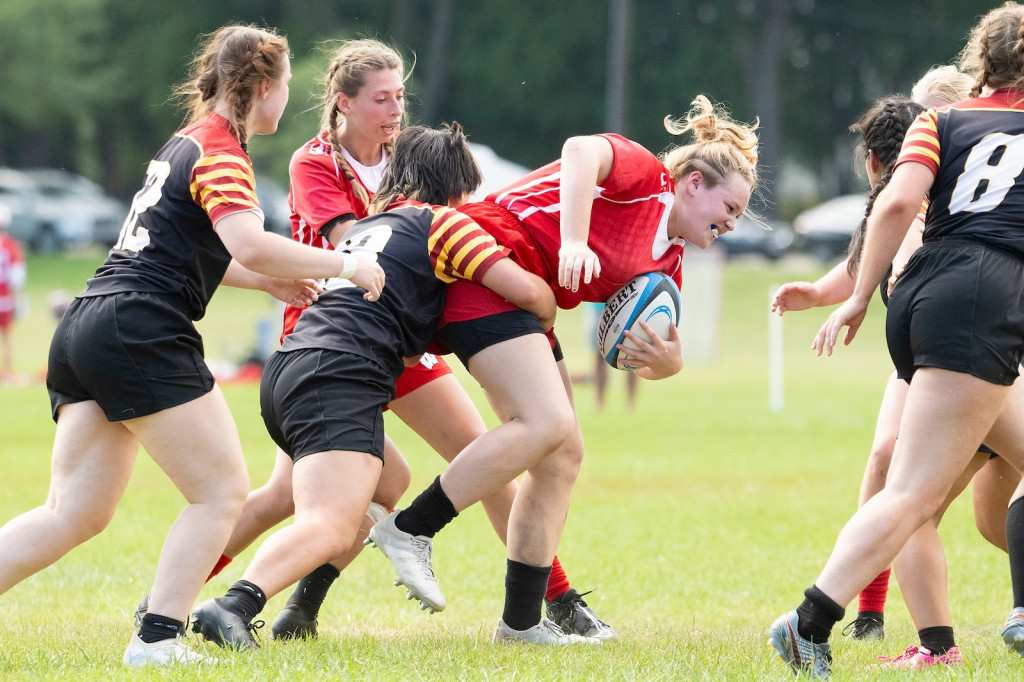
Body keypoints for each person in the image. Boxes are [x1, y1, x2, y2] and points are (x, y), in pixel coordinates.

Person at [159, 38, 615, 642]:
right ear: (342, 104)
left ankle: (550, 602)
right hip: (340, 331)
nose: (395, 110)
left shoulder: (409, 156)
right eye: (381, 99)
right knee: (285, 498)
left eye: (400, 96)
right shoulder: (314, 161)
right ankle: (171, 604)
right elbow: (362, 243)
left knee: (475, 463)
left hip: (390, 338)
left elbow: (442, 233)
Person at [0, 24, 385, 668]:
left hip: (89, 325)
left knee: (73, 512)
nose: (286, 98)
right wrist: (346, 265)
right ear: (262, 86)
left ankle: (157, 635)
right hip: (139, 328)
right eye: (285, 85)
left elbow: (187, 251)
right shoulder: (221, 151)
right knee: (221, 491)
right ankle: (157, 639)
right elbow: (249, 240)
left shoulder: (184, 143)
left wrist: (267, 282)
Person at [364, 95, 759, 644]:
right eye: (730, 209)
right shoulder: (646, 177)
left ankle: (521, 623)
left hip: (529, 301)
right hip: (491, 256)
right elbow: (579, 150)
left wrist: (671, 362)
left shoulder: (668, 263)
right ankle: (411, 529)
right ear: (693, 183)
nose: (733, 225)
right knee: (546, 423)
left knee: (561, 455)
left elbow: (651, 347)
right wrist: (573, 238)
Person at [188, 122, 559, 650]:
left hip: (295, 365)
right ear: (457, 190)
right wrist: (550, 302)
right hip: (340, 374)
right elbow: (526, 293)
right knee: (330, 522)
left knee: (388, 482)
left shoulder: (368, 227)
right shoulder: (445, 224)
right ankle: (235, 604)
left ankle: (293, 608)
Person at [768, 4, 1024, 676]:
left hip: (923, 293)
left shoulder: (938, 121)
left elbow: (899, 201)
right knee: (912, 493)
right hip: (984, 297)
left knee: (909, 486)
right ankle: (810, 621)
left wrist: (857, 296)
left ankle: (965, 629)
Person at [583, 301, 638, 410]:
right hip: (598, 305)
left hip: (628, 304)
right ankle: (599, 403)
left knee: (632, 353)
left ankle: (631, 403)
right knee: (599, 355)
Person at [0, 204, 25, 383]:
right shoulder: (11, 246)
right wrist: (16, 298)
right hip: (5, 299)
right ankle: (7, 373)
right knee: (7, 338)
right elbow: (17, 277)